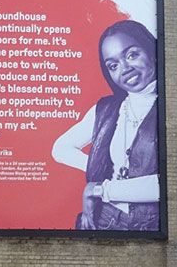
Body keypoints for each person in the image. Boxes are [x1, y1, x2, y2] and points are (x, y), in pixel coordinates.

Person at [50, 19, 160, 232]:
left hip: (150, 230)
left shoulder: (174, 105)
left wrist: (100, 189)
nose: (125, 69)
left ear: (152, 50)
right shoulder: (108, 109)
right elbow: (60, 149)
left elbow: (170, 185)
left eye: (132, 55)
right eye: (113, 65)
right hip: (103, 223)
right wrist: (102, 170)